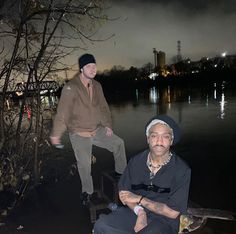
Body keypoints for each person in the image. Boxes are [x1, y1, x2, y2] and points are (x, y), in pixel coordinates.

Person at [50, 53, 127, 205]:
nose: (93, 69)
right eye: (89, 66)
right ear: (81, 69)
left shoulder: (97, 86)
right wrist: (56, 134)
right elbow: (62, 113)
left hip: (97, 129)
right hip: (79, 133)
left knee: (119, 143)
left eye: (94, 66)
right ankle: (87, 191)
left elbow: (104, 108)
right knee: (84, 165)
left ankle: (121, 174)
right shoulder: (71, 87)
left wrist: (108, 125)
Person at [94, 115, 191, 234]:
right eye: (154, 136)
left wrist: (140, 199)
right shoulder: (136, 162)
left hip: (165, 221)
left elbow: (172, 213)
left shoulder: (181, 169)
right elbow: (124, 194)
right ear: (148, 139)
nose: (159, 141)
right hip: (136, 212)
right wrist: (140, 212)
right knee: (102, 225)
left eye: (165, 137)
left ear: (171, 140)